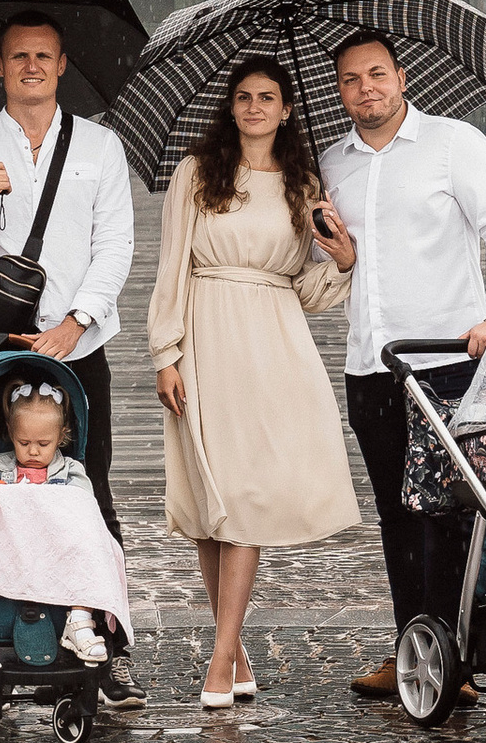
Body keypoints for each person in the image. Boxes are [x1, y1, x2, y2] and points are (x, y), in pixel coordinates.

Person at [0, 13, 145, 708]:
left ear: (60, 65)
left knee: (88, 496)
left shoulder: (100, 147)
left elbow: (115, 244)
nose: (31, 67)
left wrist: (76, 320)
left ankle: (105, 650)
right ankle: (5, 636)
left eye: (43, 56)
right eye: (18, 56)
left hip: (79, 350)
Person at [317, 32, 486, 703]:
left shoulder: (452, 144)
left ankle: (460, 656)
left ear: (401, 76)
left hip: (445, 364)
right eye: (351, 80)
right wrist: (339, 255)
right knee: (396, 513)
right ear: (341, 91)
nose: (366, 88)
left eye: (377, 74)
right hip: (369, 366)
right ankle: (414, 648)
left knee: (452, 515)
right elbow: (337, 266)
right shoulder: (333, 163)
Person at [149, 54, 358, 707]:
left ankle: (218, 660)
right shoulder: (195, 172)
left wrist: (343, 263)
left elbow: (309, 290)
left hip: (272, 340)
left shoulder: (304, 185)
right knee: (213, 506)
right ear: (231, 105)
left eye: (267, 96)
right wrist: (166, 351)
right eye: (243, 96)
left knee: (244, 497)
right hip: (204, 335)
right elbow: (172, 264)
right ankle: (234, 651)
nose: (254, 107)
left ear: (287, 109)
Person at [0, 379, 132, 671]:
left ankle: (80, 621)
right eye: (24, 443)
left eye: (43, 444)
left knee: (88, 549)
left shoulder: (70, 471)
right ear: (10, 435)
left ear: (61, 437)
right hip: (3, 550)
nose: (33, 451)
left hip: (55, 552)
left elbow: (82, 513)